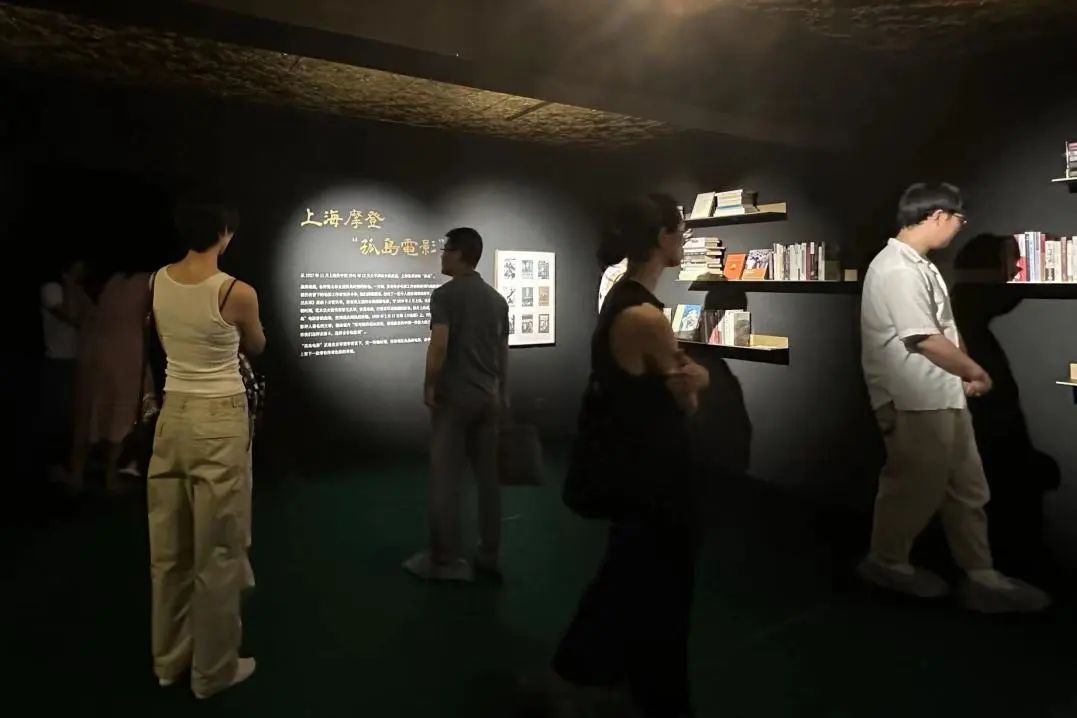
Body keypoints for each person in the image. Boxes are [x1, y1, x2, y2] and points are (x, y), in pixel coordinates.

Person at [548, 194, 709, 718]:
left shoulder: (621, 299)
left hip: (634, 473)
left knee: (627, 576)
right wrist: (698, 379)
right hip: (657, 477)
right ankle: (651, 696)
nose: (683, 241)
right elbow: (686, 397)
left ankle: (583, 673)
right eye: (680, 231)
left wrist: (688, 375)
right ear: (662, 238)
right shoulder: (647, 317)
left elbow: (674, 375)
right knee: (662, 588)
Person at [857, 182, 1050, 613]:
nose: (959, 228)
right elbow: (923, 337)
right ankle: (887, 562)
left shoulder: (919, 266)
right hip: (914, 398)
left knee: (967, 487)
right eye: (959, 219)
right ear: (938, 215)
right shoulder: (898, 269)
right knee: (914, 488)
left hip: (938, 394)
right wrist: (972, 370)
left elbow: (941, 329)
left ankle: (980, 574)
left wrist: (961, 370)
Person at [147, 201, 266, 698]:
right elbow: (256, 345)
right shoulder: (237, 292)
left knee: (168, 550)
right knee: (217, 552)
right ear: (224, 234)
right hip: (219, 420)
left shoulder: (157, 280)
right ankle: (213, 671)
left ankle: (169, 661)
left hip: (172, 416)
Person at [403, 227, 509, 582]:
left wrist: (429, 384)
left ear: (461, 254)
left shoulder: (444, 295)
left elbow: (439, 345)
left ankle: (445, 559)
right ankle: (490, 554)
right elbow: (502, 353)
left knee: (445, 479)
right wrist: (502, 392)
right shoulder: (497, 300)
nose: (442, 255)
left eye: (446, 249)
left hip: (455, 399)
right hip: (488, 397)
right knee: (489, 480)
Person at [68, 256, 152, 493]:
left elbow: (74, 316)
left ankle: (78, 474)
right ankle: (109, 475)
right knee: (120, 414)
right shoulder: (142, 282)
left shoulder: (92, 281)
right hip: (126, 356)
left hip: (93, 355)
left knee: (89, 413)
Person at [36, 257, 84, 483]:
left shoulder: (77, 289)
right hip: (59, 361)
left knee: (74, 415)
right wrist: (70, 283)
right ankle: (55, 467)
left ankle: (69, 466)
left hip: (79, 360)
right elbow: (72, 317)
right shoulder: (52, 289)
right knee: (60, 415)